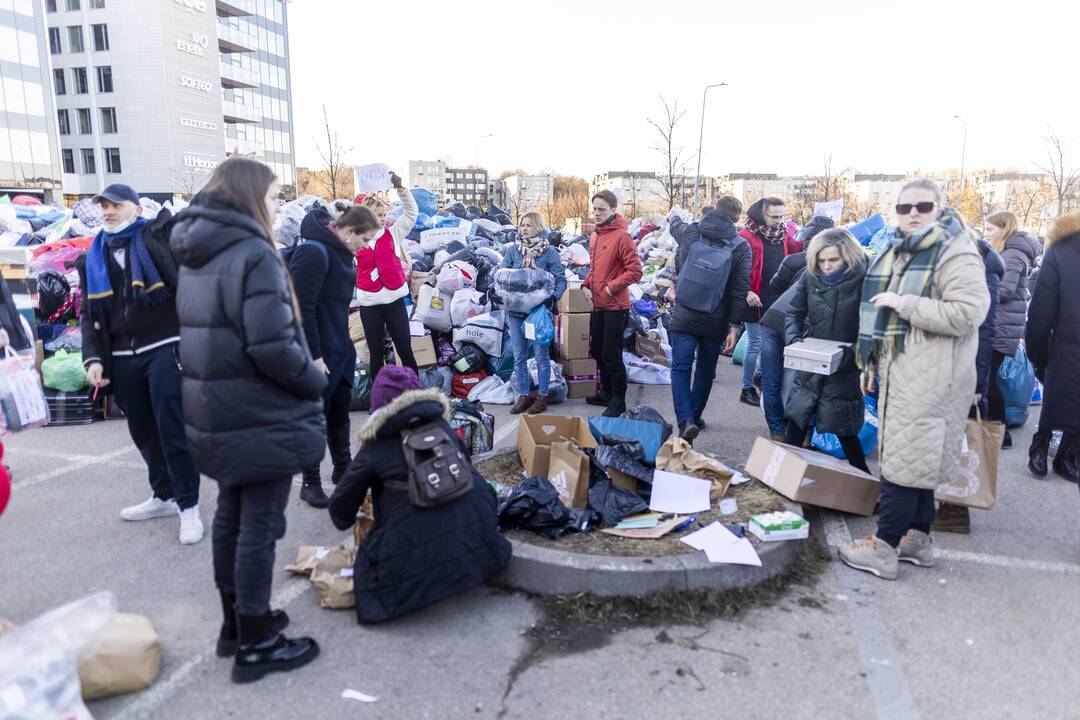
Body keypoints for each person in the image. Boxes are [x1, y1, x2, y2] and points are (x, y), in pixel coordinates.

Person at [171, 157, 326, 683]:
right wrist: (315, 379)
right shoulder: (253, 252)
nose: (279, 204)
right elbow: (273, 347)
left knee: (233, 519)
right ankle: (257, 642)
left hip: (217, 408)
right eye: (275, 195)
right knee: (258, 527)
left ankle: (236, 624)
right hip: (257, 408)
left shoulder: (198, 251)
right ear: (250, 196)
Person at [839, 178, 989, 580]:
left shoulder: (954, 252)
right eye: (904, 208)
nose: (913, 214)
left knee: (901, 468)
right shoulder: (903, 250)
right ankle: (918, 541)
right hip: (908, 373)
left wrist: (906, 304)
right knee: (914, 461)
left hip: (933, 380)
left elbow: (968, 313)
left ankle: (884, 548)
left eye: (923, 206)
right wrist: (872, 364)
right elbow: (883, 321)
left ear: (939, 208)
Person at [328, 366, 512, 623]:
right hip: (480, 543)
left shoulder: (376, 442)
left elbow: (340, 512)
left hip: (410, 550)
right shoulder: (443, 425)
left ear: (378, 404)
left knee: (371, 568)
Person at [75, 184, 203, 545]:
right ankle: (162, 495)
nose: (107, 211)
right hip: (120, 355)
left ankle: (188, 505)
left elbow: (195, 225)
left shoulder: (155, 236)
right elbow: (88, 313)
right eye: (103, 205)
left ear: (134, 208)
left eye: (115, 204)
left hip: (164, 345)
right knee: (143, 431)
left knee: (171, 428)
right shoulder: (93, 256)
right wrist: (93, 358)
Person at [290, 202, 380, 508]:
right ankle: (310, 482)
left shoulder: (342, 253)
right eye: (365, 239)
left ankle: (343, 469)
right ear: (350, 231)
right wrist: (314, 356)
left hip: (339, 347)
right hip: (316, 352)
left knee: (339, 410)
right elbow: (303, 309)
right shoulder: (313, 252)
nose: (366, 247)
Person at [782, 228, 870, 473]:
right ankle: (780, 481)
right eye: (822, 260)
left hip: (844, 367)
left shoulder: (866, 280)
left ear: (848, 256)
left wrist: (851, 356)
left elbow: (871, 328)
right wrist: (795, 341)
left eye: (833, 260)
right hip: (811, 361)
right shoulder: (810, 276)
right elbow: (794, 312)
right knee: (797, 422)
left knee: (845, 431)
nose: (827, 266)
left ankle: (865, 489)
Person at [933, 235, 1003, 534]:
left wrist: (977, 382)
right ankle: (946, 506)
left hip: (966, 371)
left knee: (958, 439)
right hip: (949, 365)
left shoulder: (980, 271)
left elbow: (984, 331)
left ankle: (954, 511)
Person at [667, 196, 750, 442]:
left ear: (714, 210)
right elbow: (739, 289)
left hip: (685, 312)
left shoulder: (692, 232)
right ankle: (694, 416)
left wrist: (674, 215)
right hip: (716, 317)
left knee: (680, 368)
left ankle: (685, 420)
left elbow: (674, 225)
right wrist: (734, 326)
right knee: (705, 370)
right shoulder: (740, 246)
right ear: (736, 218)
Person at [759, 215, 836, 440]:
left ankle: (777, 435)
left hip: (773, 319)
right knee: (804, 384)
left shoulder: (794, 260)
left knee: (771, 381)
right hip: (801, 326)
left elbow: (775, 287)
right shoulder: (833, 267)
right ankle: (800, 437)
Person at [1026, 210, 1080, 483]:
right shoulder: (1062, 249)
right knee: (1059, 392)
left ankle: (1068, 455)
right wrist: (1037, 352)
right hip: (1066, 341)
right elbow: (1042, 309)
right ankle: (1041, 444)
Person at [582, 190, 643, 417]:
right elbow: (594, 268)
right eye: (595, 209)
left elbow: (636, 271)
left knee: (611, 354)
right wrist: (586, 286)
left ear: (613, 211)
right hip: (597, 304)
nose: (597, 213)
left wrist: (610, 287)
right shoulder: (595, 235)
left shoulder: (622, 237)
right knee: (596, 350)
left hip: (616, 306)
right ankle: (606, 392)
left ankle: (619, 399)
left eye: (602, 210)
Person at [738, 197, 803, 407]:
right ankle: (747, 388)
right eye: (774, 217)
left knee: (770, 345)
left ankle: (760, 378)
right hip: (753, 297)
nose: (779, 221)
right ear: (761, 215)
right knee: (755, 343)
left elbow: (796, 250)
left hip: (775, 298)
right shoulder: (746, 236)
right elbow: (737, 269)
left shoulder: (783, 234)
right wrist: (746, 291)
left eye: (782, 216)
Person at [501, 211, 567, 415]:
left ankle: (542, 396)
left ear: (538, 227)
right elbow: (503, 275)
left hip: (538, 311)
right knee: (519, 356)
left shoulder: (550, 253)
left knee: (541, 356)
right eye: (521, 225)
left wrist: (552, 297)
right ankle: (523, 395)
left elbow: (560, 279)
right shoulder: (513, 250)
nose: (523, 228)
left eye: (528, 225)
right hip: (515, 310)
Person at [983, 211, 1039, 449]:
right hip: (1001, 324)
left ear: (1004, 228)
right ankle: (995, 430)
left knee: (987, 379)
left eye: (991, 229)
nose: (987, 233)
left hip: (1002, 326)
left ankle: (1000, 433)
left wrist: (978, 289)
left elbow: (1004, 290)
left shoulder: (1013, 254)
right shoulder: (1007, 251)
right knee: (987, 378)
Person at [355, 173, 418, 381]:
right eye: (379, 215)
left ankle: (414, 392)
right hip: (370, 305)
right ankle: (378, 398)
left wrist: (401, 189)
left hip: (394, 302)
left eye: (384, 214)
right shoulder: (354, 240)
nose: (384, 218)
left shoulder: (393, 233)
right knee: (376, 354)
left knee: (405, 349)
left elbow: (411, 213)